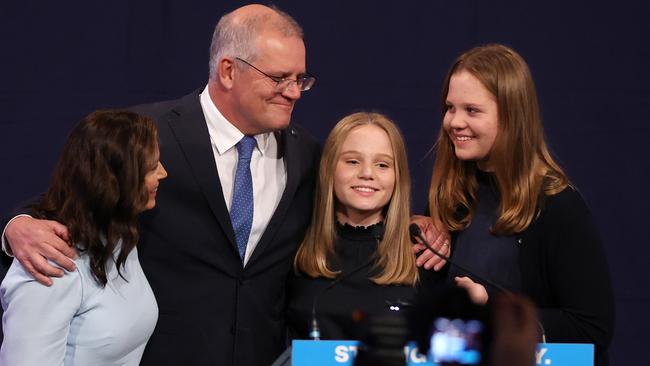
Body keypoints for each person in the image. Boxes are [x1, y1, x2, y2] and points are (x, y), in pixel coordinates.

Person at [1, 5, 447, 365]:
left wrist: (417, 224)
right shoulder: (150, 134)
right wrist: (15, 226)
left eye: (300, 80)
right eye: (280, 78)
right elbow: (75, 199)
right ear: (229, 71)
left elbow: (353, 210)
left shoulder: (308, 154)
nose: (294, 92)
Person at [423, 44, 615, 365]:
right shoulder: (451, 202)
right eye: (450, 107)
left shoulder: (559, 206)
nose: (454, 121)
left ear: (512, 115)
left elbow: (591, 329)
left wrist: (494, 309)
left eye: (472, 110)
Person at [0, 110, 167, 365]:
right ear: (115, 180)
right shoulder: (51, 263)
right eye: (152, 166)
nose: (163, 173)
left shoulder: (119, 236)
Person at [288, 112, 437, 340]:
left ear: (398, 177)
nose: (367, 174)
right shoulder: (293, 246)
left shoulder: (424, 254)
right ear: (329, 169)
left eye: (382, 164)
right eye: (352, 161)